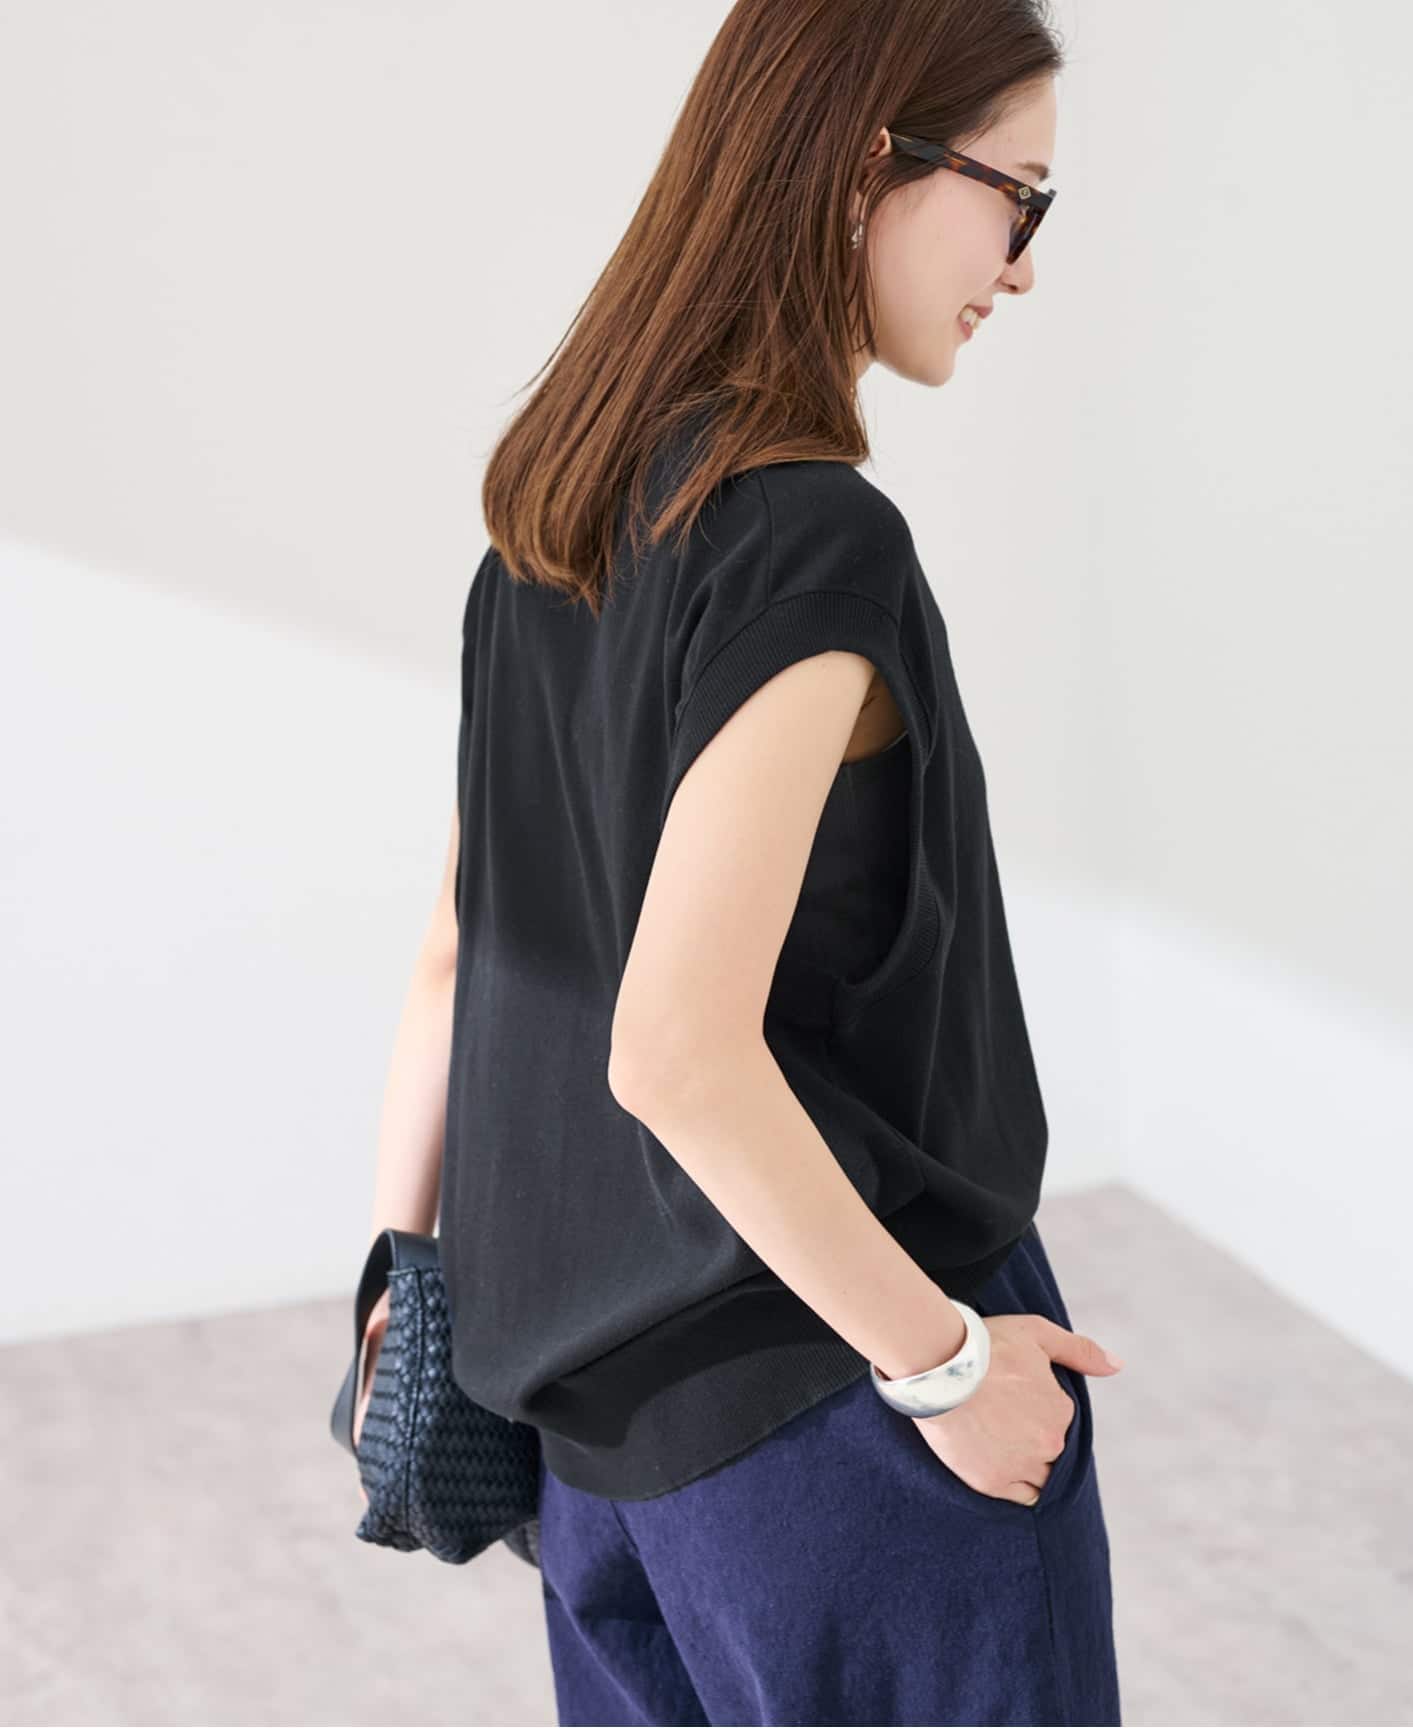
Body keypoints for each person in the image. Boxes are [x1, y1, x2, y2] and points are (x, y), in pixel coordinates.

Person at [356, 0, 1125, 1721]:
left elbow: (462, 952)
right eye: (1017, 197)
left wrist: (402, 1282)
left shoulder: (549, 522)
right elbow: (674, 1051)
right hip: (840, 1405)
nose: (1021, 265)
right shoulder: (808, 541)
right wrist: (946, 1364)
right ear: (869, 167)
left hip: (599, 1459)